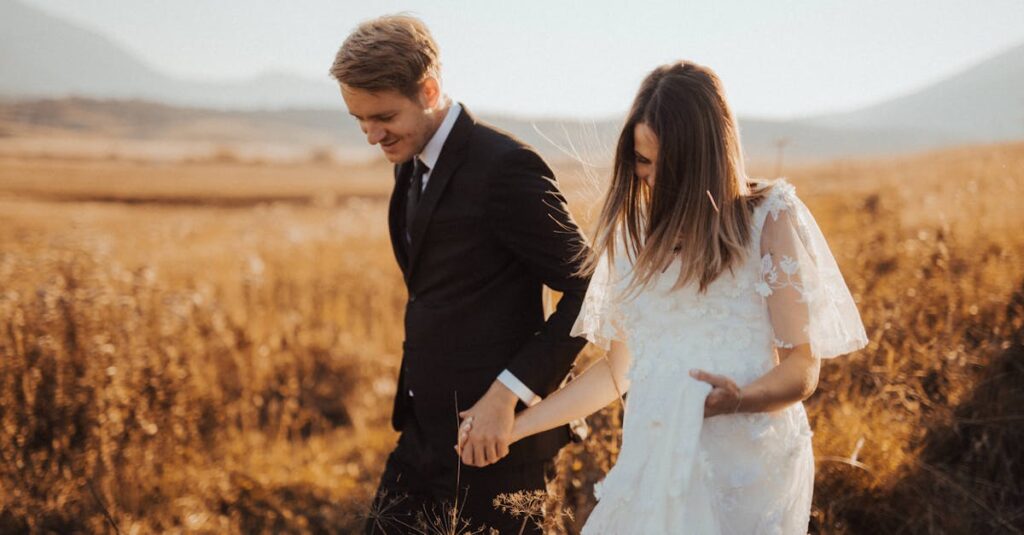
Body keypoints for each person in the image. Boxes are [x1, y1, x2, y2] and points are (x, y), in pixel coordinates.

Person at [458, 61, 869, 533]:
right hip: (650, 461)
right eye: (641, 159)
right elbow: (618, 371)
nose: (649, 177)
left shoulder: (768, 218)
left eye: (663, 164)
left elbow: (802, 367)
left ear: (705, 159)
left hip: (744, 468)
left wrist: (740, 400)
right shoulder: (629, 233)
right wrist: (516, 426)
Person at [330, 15, 591, 534]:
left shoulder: (506, 168)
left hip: (499, 445)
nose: (371, 136)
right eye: (359, 120)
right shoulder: (410, 157)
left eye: (382, 117)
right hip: (422, 437)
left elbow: (590, 287)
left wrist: (506, 394)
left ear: (428, 89)